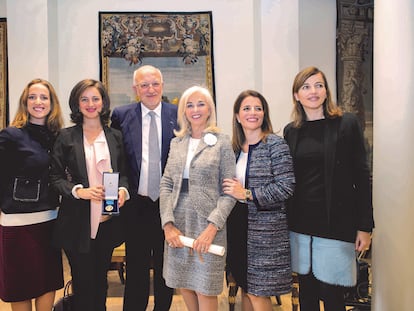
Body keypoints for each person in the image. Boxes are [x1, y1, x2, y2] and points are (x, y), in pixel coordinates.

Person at [283, 66, 374, 311]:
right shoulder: (291, 131)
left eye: (318, 85)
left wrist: (365, 226)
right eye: (306, 87)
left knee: (333, 296)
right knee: (307, 295)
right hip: (301, 227)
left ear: (326, 91)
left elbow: (362, 175)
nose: (313, 91)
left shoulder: (346, 124)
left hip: (336, 225)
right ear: (296, 95)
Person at [50, 79, 129, 311]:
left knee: (100, 283)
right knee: (83, 284)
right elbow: (55, 178)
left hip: (107, 222)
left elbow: (123, 174)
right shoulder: (66, 137)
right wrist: (79, 191)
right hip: (77, 223)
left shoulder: (115, 136)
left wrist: (122, 191)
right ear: (77, 104)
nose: (90, 104)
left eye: (95, 98)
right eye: (84, 99)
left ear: (103, 102)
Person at [160, 85, 236, 311]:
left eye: (201, 104)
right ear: (183, 111)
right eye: (189, 105)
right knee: (183, 283)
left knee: (205, 288)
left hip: (208, 222)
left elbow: (229, 191)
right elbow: (166, 184)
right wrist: (167, 224)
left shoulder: (222, 142)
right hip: (178, 222)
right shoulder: (177, 143)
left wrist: (213, 227)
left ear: (209, 109)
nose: (195, 109)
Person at [111, 65, 177, 311]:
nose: (150, 89)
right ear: (135, 89)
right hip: (135, 204)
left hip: (168, 205)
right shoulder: (121, 114)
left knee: (166, 267)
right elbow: (116, 159)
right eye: (144, 85)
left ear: (162, 85)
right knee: (136, 266)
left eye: (155, 84)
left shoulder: (178, 113)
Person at [222, 90, 295, 310]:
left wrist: (247, 193)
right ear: (237, 116)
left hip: (265, 231)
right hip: (236, 226)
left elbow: (286, 186)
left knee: (258, 291)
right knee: (246, 286)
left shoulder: (275, 144)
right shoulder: (233, 150)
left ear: (264, 113)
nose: (252, 113)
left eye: (258, 108)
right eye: (246, 108)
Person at [0, 78, 64, 311]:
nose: (38, 102)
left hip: (50, 221)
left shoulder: (58, 136)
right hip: (17, 224)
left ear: (52, 103)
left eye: (44, 97)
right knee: (20, 285)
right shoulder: (11, 135)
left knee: (47, 282)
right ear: (25, 103)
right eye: (32, 97)